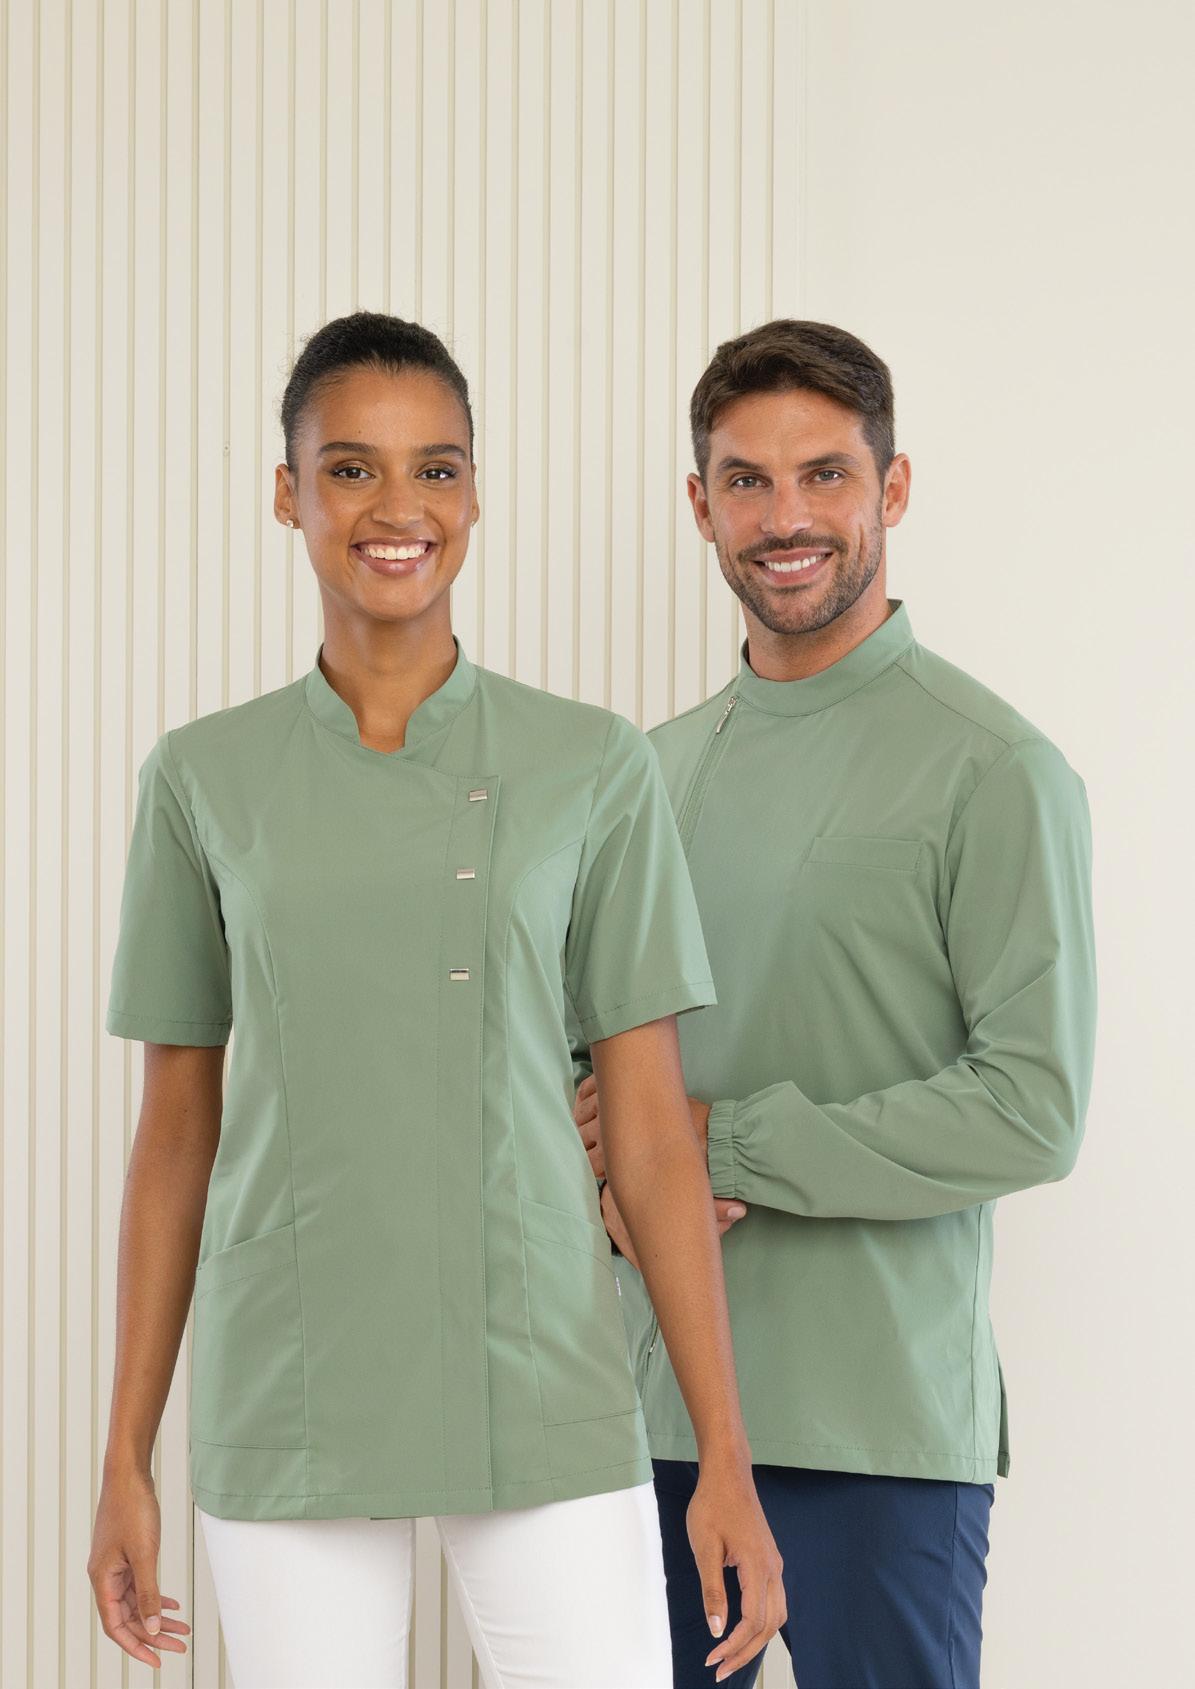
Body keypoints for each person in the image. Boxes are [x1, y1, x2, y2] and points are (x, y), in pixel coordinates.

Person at [87, 310, 784, 1689]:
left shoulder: (590, 766)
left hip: (541, 1373)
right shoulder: (202, 779)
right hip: (292, 1377)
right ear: (287, 493)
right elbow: (176, 1135)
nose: (398, 507)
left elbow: (651, 1133)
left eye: (437, 469)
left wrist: (723, 1453)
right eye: (351, 469)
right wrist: (125, 1455)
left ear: (474, 494)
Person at [574, 318, 1097, 1688]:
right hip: (653, 1418)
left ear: (893, 488)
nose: (786, 517)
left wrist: (719, 1141)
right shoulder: (642, 779)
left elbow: (1032, 1109)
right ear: (700, 506)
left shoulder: (995, 769)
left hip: (882, 1434)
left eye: (825, 475)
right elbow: (583, 1079)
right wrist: (603, 1154)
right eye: (746, 480)